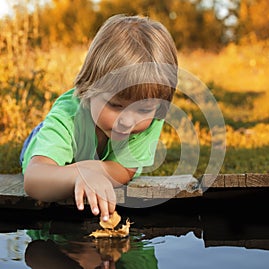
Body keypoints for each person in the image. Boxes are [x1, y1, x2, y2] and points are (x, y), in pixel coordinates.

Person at [19, 14, 178, 222]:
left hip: (91, 157)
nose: (128, 122)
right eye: (115, 105)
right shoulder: (68, 115)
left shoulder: (151, 118)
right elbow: (35, 180)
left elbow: (125, 170)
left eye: (143, 110)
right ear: (89, 88)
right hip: (42, 142)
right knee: (44, 141)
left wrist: (95, 170)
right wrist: (80, 174)